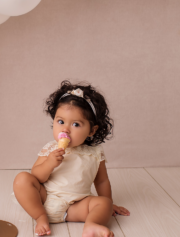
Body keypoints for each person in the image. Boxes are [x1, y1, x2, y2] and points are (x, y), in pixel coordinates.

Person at [12, 80, 130, 237]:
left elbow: (102, 181)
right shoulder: (51, 148)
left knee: (104, 203)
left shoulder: (95, 153)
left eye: (76, 124)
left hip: (76, 206)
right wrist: (49, 164)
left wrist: (109, 203)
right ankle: (40, 218)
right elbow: (36, 176)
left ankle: (91, 225)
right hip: (45, 199)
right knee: (22, 179)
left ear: (91, 130)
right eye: (60, 121)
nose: (65, 129)